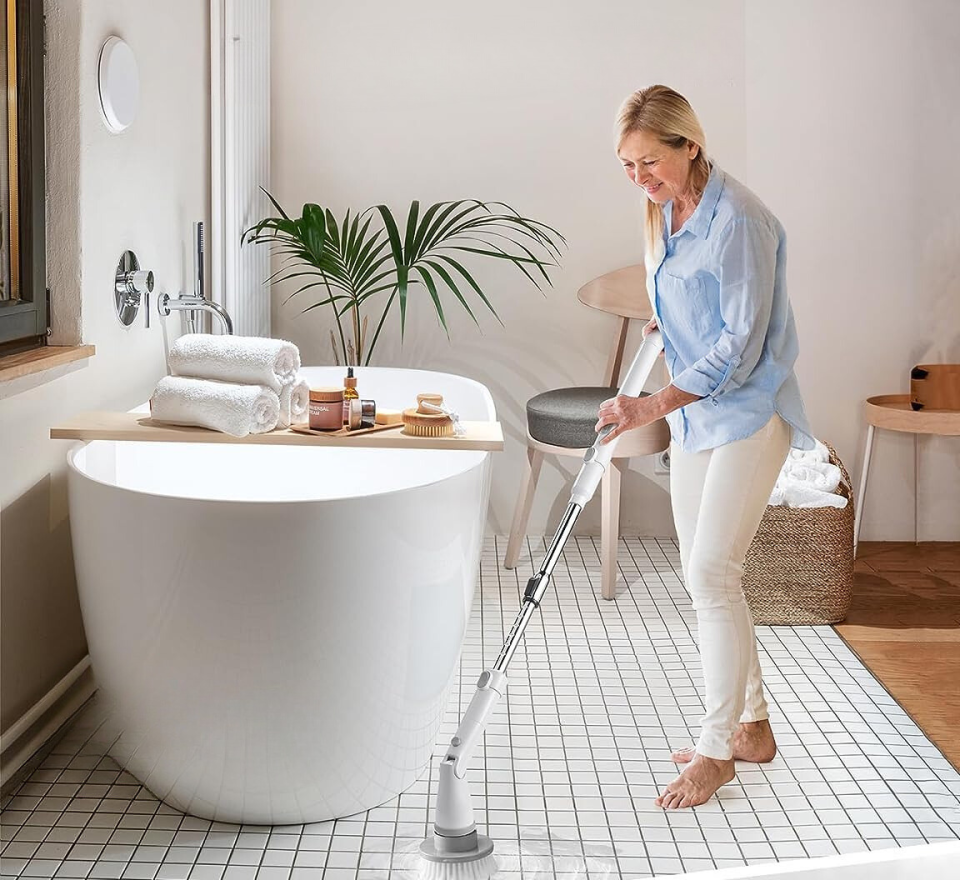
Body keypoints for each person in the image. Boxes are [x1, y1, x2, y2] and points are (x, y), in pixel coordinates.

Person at [594, 84, 815, 810]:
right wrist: (666, 333)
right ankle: (752, 729)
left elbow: (740, 348)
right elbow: (684, 307)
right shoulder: (661, 210)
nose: (640, 178)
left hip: (748, 413)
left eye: (650, 161)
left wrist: (650, 403)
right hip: (697, 420)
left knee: (713, 571)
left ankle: (717, 752)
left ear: (690, 144)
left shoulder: (741, 219)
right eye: (628, 164)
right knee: (707, 578)